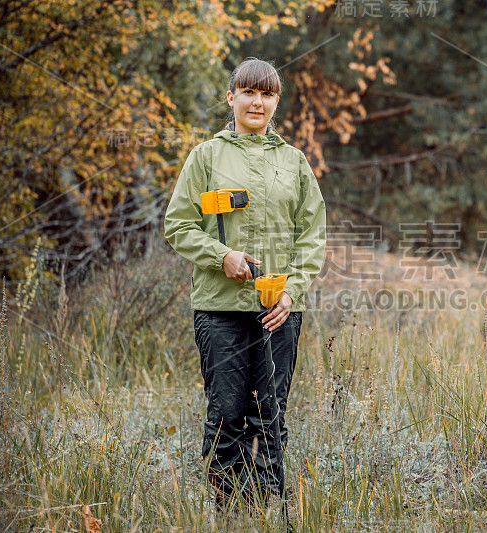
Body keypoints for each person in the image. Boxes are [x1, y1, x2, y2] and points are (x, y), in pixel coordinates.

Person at [163, 58, 326, 514]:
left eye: (267, 94)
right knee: (227, 413)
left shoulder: (294, 162)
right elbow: (178, 225)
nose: (258, 102)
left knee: (269, 415)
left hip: (280, 309)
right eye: (249, 92)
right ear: (231, 97)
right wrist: (223, 257)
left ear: (277, 101)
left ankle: (264, 511)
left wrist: (293, 291)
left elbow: (312, 236)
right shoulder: (206, 156)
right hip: (219, 309)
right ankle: (227, 511)